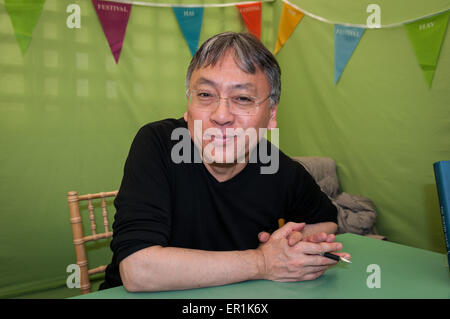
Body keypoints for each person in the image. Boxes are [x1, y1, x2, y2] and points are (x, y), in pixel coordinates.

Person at [99, 32, 350, 292]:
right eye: (206, 94)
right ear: (188, 105)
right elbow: (138, 270)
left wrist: (290, 244)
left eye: (243, 98)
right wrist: (263, 261)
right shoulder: (158, 144)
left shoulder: (278, 168)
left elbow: (326, 219)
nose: (221, 116)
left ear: (271, 114)